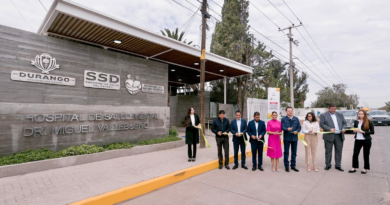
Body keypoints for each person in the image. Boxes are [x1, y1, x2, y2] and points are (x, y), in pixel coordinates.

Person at [319, 103, 347, 171]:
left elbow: (344, 123)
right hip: (329, 136)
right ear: (328, 108)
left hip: (339, 136)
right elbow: (322, 124)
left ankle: (338, 165)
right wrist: (329, 129)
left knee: (339, 151)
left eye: (334, 109)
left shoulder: (340, 114)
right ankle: (328, 165)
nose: (333, 110)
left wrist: (344, 128)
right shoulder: (323, 115)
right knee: (328, 151)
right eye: (332, 109)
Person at [349, 109, 374, 174]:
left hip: (366, 140)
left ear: (365, 114)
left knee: (366, 154)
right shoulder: (356, 121)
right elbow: (354, 129)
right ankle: (354, 167)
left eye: (362, 114)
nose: (360, 115)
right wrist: (354, 131)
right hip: (358, 140)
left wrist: (363, 132)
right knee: (355, 154)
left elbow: (372, 132)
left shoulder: (369, 121)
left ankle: (365, 168)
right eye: (359, 114)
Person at [281, 107, 301, 172]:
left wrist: (297, 131)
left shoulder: (296, 119)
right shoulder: (283, 119)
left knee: (294, 152)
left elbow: (299, 127)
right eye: (288, 111)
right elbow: (282, 127)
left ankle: (293, 166)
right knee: (286, 152)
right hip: (287, 138)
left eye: (291, 111)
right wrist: (287, 129)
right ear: (286, 112)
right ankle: (286, 166)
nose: (290, 112)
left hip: (294, 138)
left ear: (292, 111)